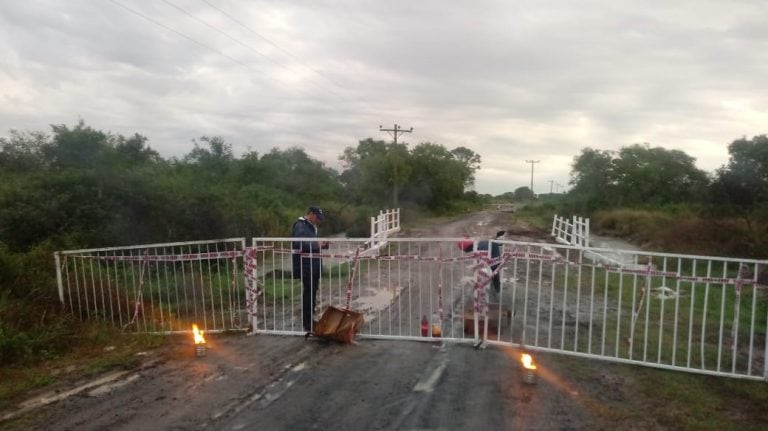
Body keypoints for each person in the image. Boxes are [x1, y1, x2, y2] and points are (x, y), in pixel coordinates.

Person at [292, 206, 329, 332]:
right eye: (317, 218)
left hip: (314, 264)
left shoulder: (311, 226)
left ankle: (310, 321)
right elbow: (299, 243)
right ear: (311, 214)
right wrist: (317, 244)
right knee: (308, 293)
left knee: (313, 291)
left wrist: (323, 245)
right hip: (305, 265)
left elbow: (311, 244)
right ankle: (307, 324)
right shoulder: (300, 225)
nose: (318, 220)